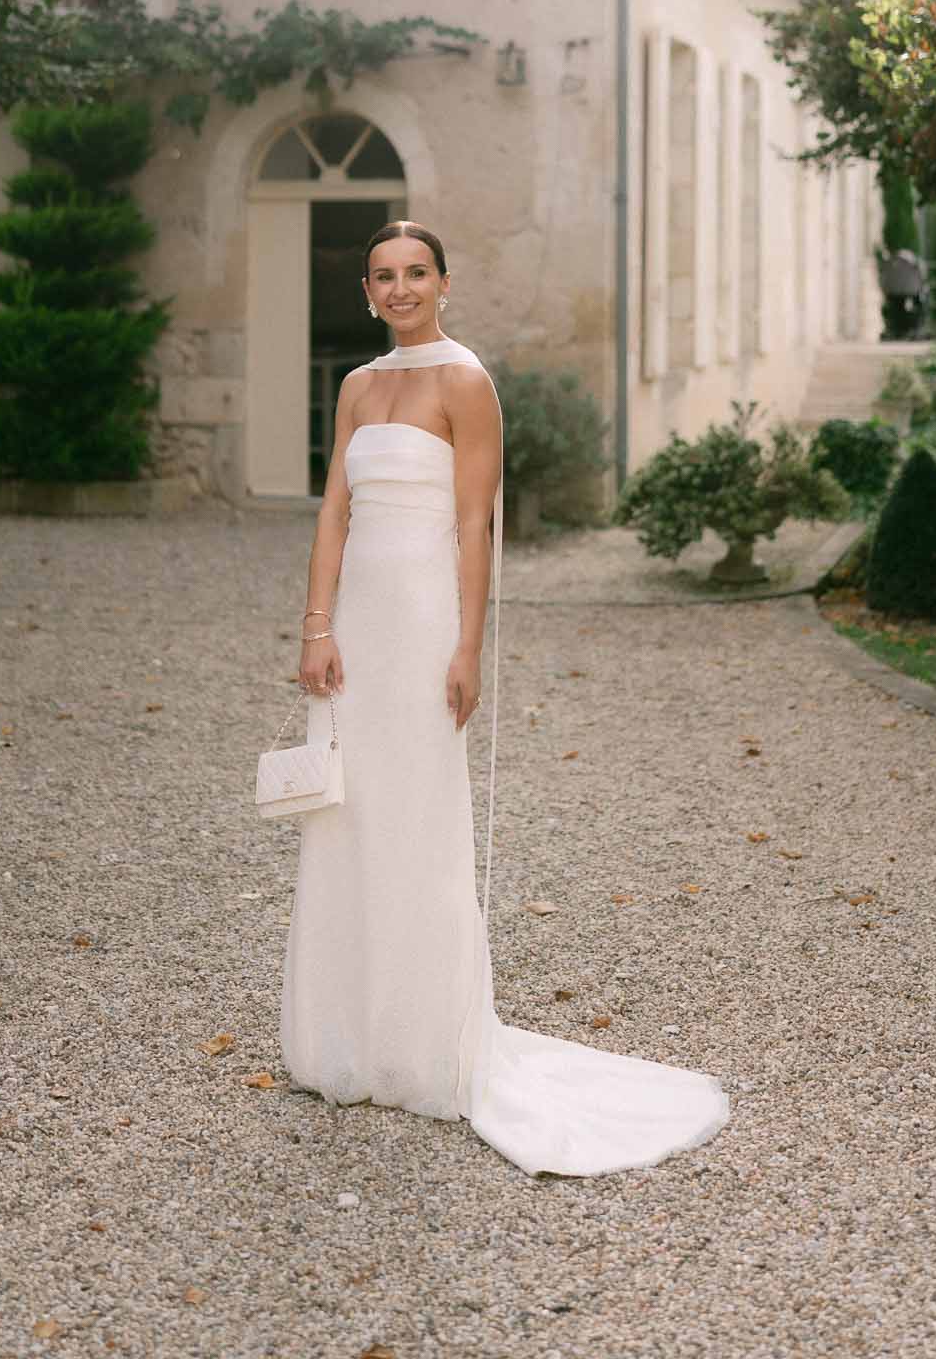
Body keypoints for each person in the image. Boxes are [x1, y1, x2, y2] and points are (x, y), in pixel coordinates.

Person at [279, 219, 730, 1177]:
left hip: (424, 623)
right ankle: (342, 1037)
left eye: (416, 274)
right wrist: (315, 629)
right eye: (383, 277)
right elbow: (332, 509)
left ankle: (423, 1044)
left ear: (444, 282)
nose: (400, 290)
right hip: (357, 625)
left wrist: (467, 647)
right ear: (366, 292)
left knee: (417, 819)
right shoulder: (358, 387)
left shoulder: (465, 382)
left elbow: (477, 523)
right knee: (346, 813)